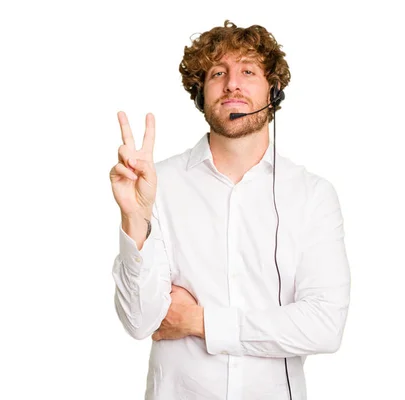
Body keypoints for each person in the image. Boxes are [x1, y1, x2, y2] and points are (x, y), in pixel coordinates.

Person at [109, 20, 351, 400]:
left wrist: (200, 321)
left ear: (274, 91)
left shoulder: (313, 195)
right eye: (217, 73)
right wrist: (135, 218)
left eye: (248, 71)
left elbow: (324, 325)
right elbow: (141, 322)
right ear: (200, 93)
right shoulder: (159, 184)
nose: (232, 83)